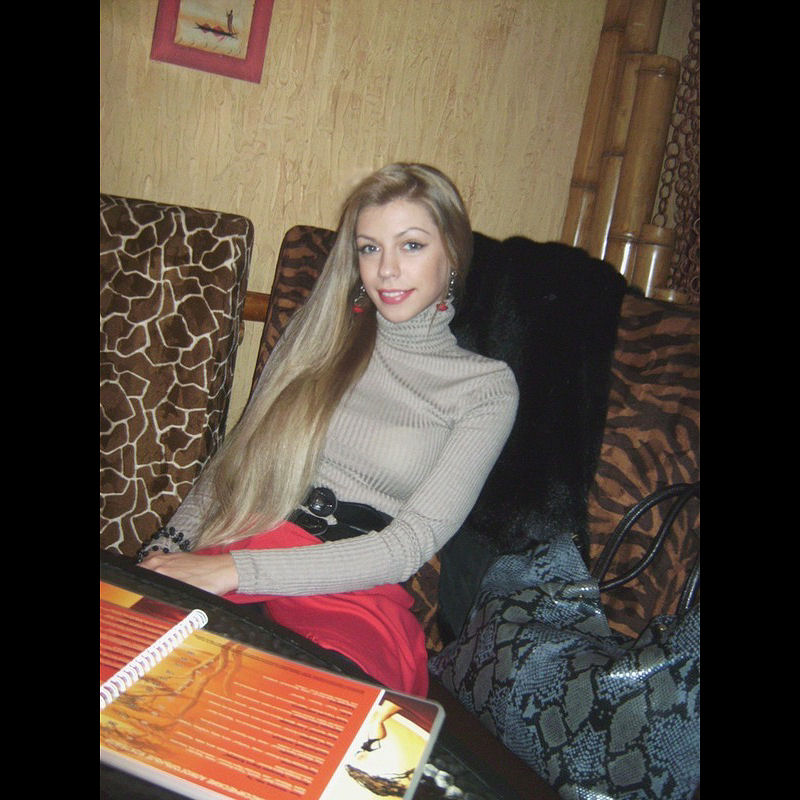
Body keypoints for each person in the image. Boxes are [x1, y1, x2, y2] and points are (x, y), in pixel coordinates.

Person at [137, 163, 519, 695]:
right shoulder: (319, 335)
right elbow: (235, 464)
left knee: (303, 709)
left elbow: (407, 547)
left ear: (452, 254)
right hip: (243, 536)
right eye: (369, 248)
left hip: (350, 586)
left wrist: (236, 573)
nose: (386, 270)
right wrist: (162, 551)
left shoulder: (484, 388)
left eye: (410, 246)